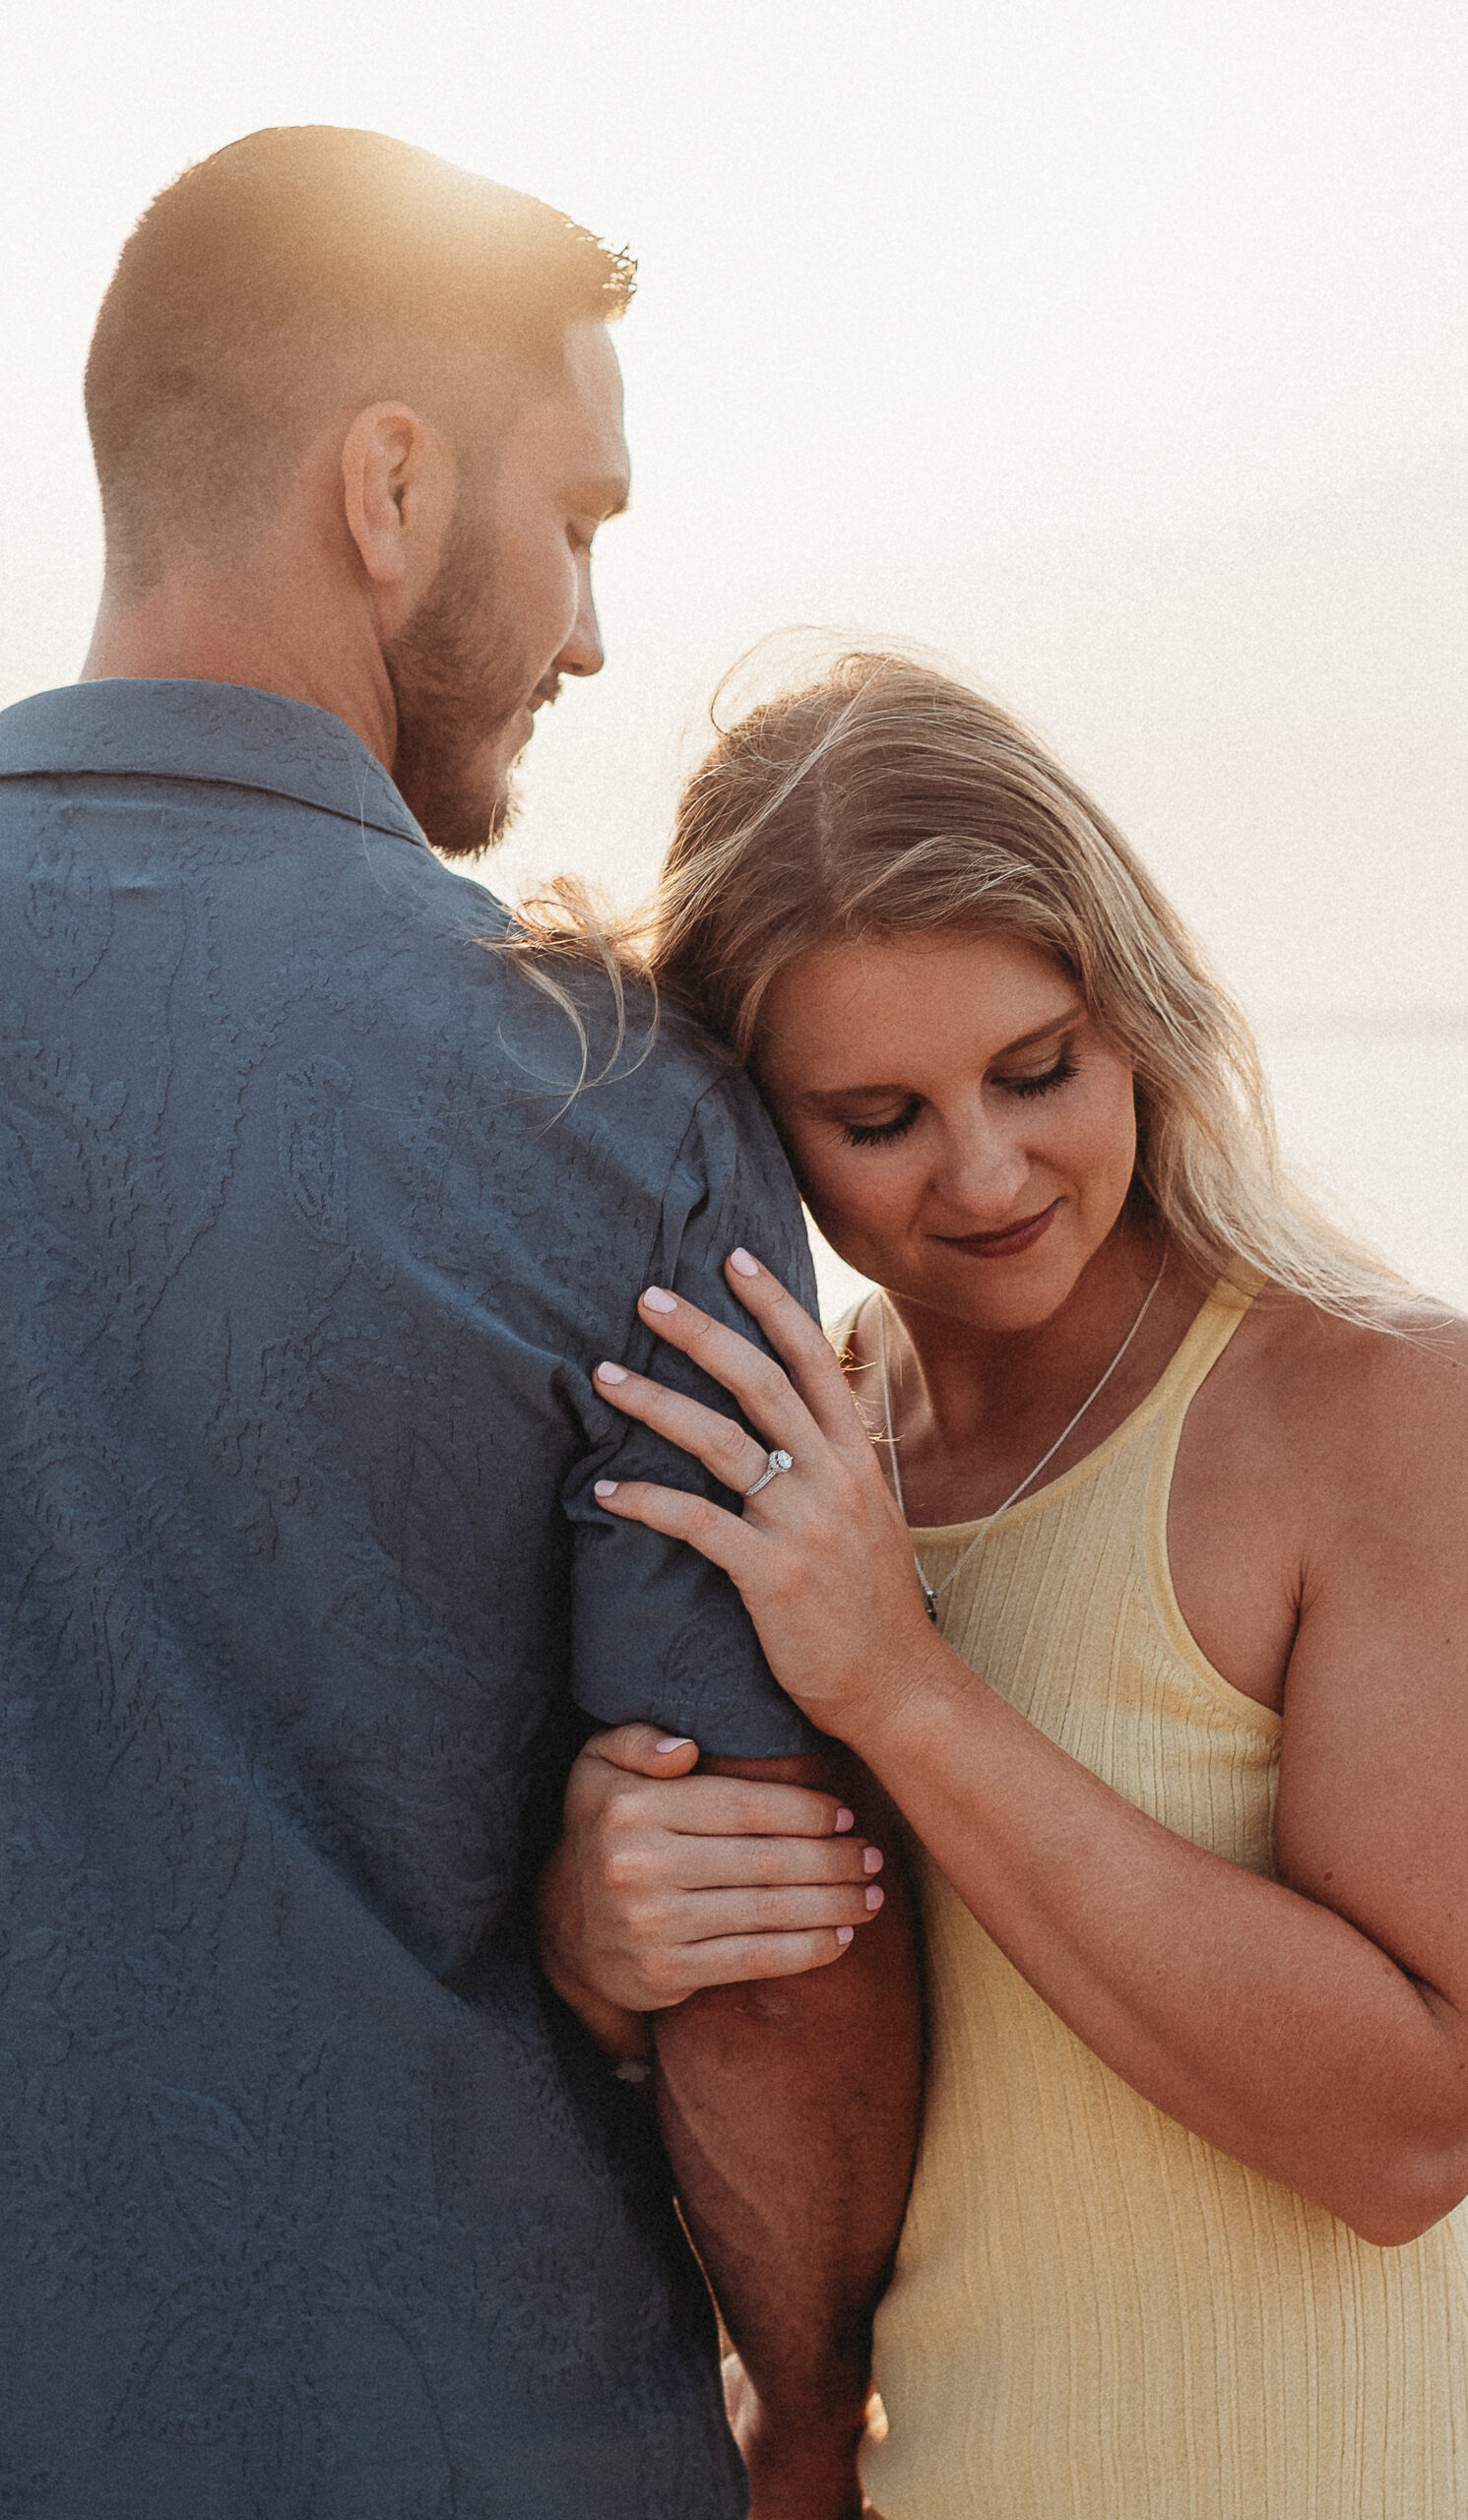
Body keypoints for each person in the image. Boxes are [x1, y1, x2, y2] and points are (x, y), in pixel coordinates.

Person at [0, 137, 912, 2515]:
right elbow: (768, 1937)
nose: (590, 626)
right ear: (388, 487)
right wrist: (807, 2415)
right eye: (575, 518)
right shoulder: (610, 1097)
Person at [539, 651, 1468, 2518]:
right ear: (748, 1127)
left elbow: (1409, 2131)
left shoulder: (1373, 1404)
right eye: (875, 1120)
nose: (983, 1171)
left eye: (1037, 1071)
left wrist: (903, 1688)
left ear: (1135, 1016)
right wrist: (595, 1940)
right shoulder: (801, 1475)